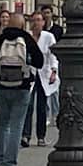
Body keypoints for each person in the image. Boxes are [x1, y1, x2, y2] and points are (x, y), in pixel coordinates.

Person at [0, 11, 42, 166]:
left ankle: (1, 162)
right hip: (21, 88)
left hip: (0, 87)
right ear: (23, 25)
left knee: (3, 124)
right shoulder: (27, 39)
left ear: (8, 24)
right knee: (17, 126)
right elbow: (39, 62)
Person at [22, 10, 57, 147]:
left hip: (44, 74)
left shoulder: (48, 37)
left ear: (43, 22)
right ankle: (26, 135)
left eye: (38, 20)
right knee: (28, 105)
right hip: (29, 74)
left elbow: (53, 55)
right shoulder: (26, 37)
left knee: (42, 106)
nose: (36, 23)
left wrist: (54, 71)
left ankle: (41, 136)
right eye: (34, 20)